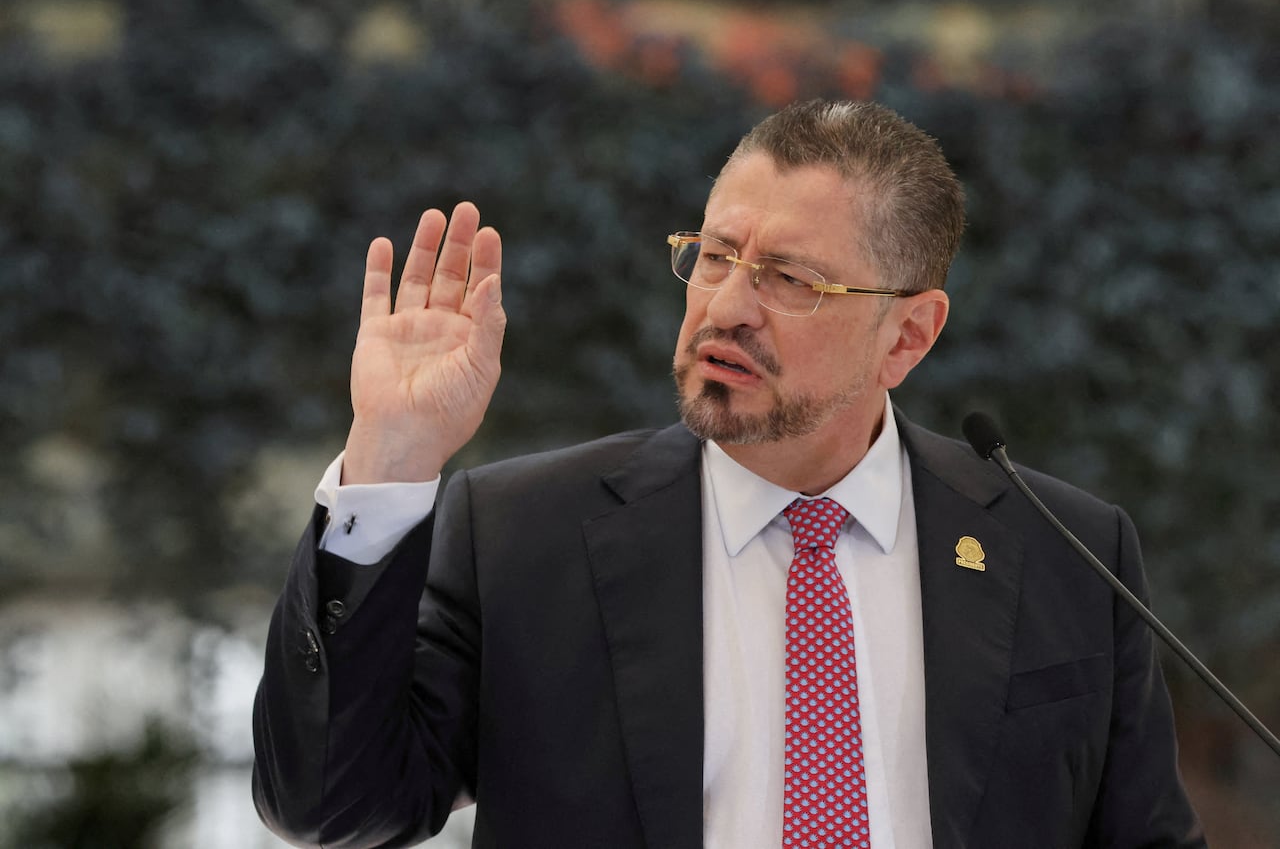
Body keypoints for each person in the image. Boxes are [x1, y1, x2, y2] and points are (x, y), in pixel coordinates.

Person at [252, 100, 1205, 848]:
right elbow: (331, 804)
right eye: (713, 256)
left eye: (791, 278)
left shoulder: (1070, 553)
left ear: (907, 336)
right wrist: (394, 456)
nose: (727, 306)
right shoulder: (522, 536)